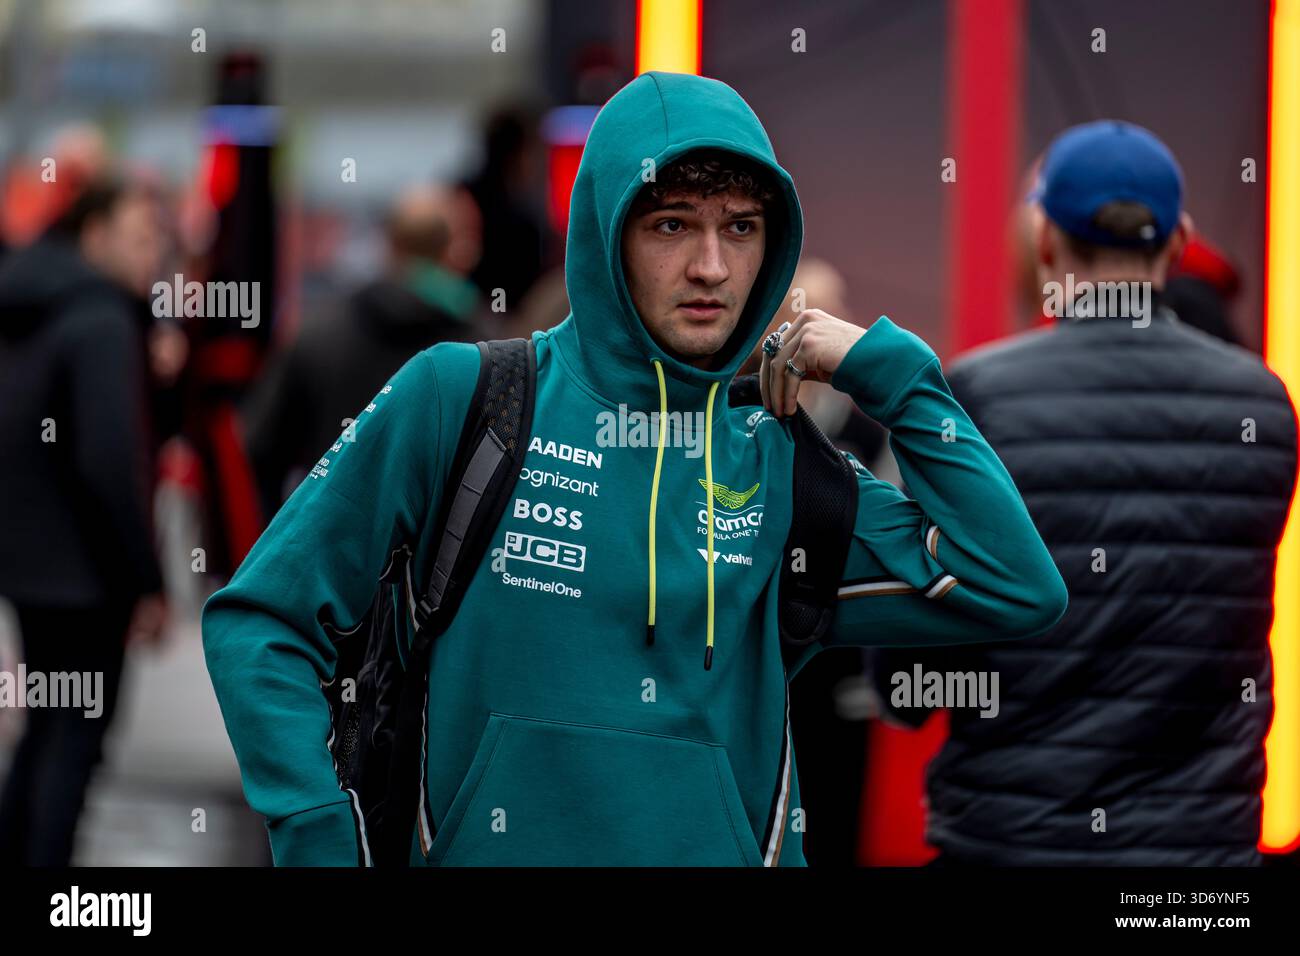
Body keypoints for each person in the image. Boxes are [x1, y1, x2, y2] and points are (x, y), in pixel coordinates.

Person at [201, 71, 1066, 867]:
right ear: (605, 232)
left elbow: (1014, 584)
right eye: (671, 224)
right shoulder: (464, 400)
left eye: (741, 227)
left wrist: (892, 373)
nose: (711, 267)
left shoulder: (781, 464)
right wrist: (318, 836)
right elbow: (260, 622)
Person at [870, 121, 1298, 866]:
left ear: (1043, 240)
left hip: (1008, 843)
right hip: (1199, 865)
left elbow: (905, 684)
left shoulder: (972, 398)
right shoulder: (1262, 406)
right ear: (1177, 240)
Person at [0, 178, 169, 866]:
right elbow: (108, 458)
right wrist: (147, 578)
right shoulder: (102, 319)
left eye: (158, 237)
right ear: (93, 236)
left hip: (28, 563)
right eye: (138, 237)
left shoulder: (28, 304)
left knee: (45, 731)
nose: (153, 253)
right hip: (87, 573)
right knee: (75, 741)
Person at [241, 184, 481, 520]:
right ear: (454, 252)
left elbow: (257, 450)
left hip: (331, 547)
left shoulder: (318, 334)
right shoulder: (485, 352)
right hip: (435, 560)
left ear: (390, 246)